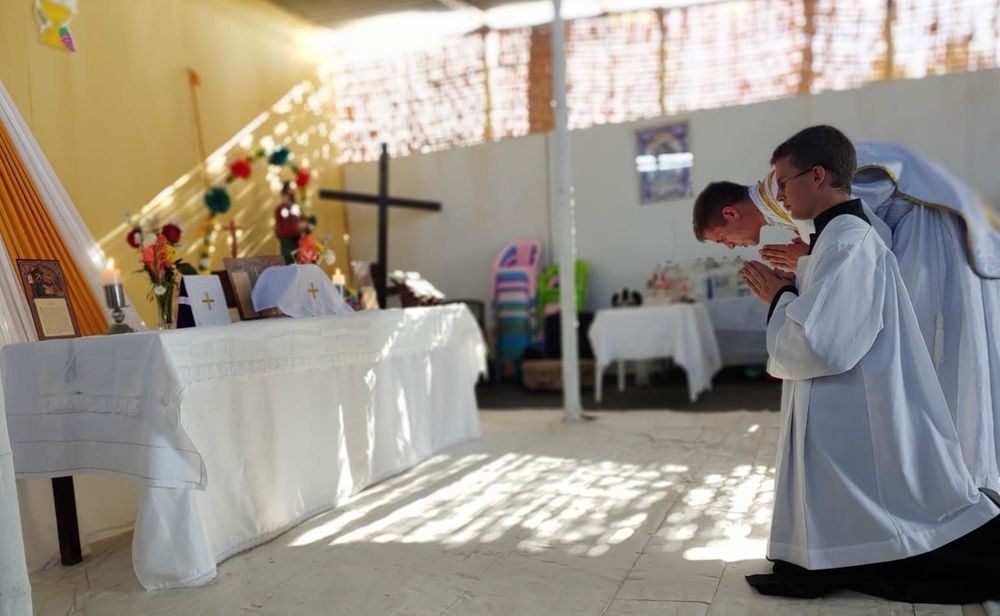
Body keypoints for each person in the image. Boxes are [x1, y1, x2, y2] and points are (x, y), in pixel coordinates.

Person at [740, 125, 1000, 602]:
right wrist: (793, 289)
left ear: (818, 175)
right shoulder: (835, 237)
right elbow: (828, 316)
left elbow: (822, 346)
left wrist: (778, 297)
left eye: (783, 182)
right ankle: (823, 561)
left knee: (882, 500)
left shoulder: (848, 241)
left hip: (855, 394)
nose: (779, 197)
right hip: (846, 393)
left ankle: (833, 563)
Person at [695, 139, 1000, 493]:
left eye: (722, 238)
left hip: (928, 240)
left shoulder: (795, 190)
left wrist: (795, 276)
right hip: (918, 237)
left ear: (730, 214)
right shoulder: (787, 194)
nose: (730, 247)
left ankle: (953, 474)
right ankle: (947, 470)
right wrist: (809, 260)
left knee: (932, 355)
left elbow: (865, 243)